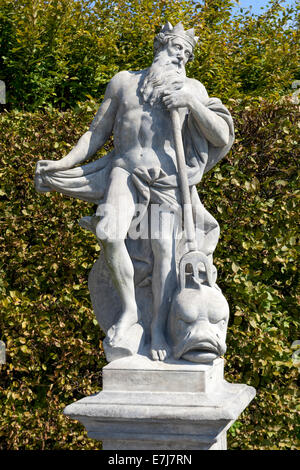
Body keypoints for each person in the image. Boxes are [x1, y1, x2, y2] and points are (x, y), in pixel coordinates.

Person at [35, 22, 234, 361]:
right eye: (176, 50)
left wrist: (191, 102)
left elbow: (222, 136)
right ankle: (129, 311)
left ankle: (157, 330)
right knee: (109, 234)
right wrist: (62, 162)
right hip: (124, 173)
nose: (181, 58)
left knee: (164, 258)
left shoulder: (192, 87)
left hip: (167, 181)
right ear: (160, 47)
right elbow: (96, 133)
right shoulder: (123, 82)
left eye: (186, 54)